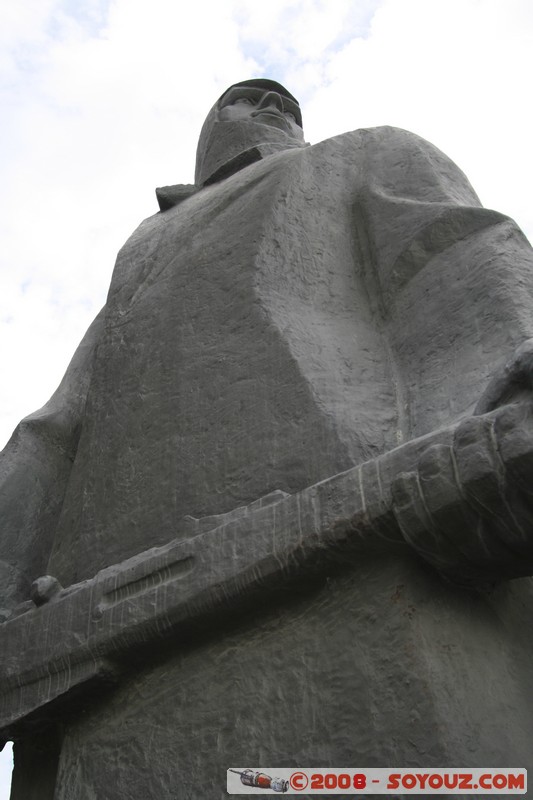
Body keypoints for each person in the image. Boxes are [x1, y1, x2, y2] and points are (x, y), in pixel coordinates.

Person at [3, 79, 533, 796]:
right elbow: (55, 428)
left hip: (383, 551)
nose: (272, 107)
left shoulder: (367, 152)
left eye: (283, 101)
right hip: (90, 657)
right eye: (243, 99)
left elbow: (460, 255)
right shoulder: (142, 255)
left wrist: (500, 409)